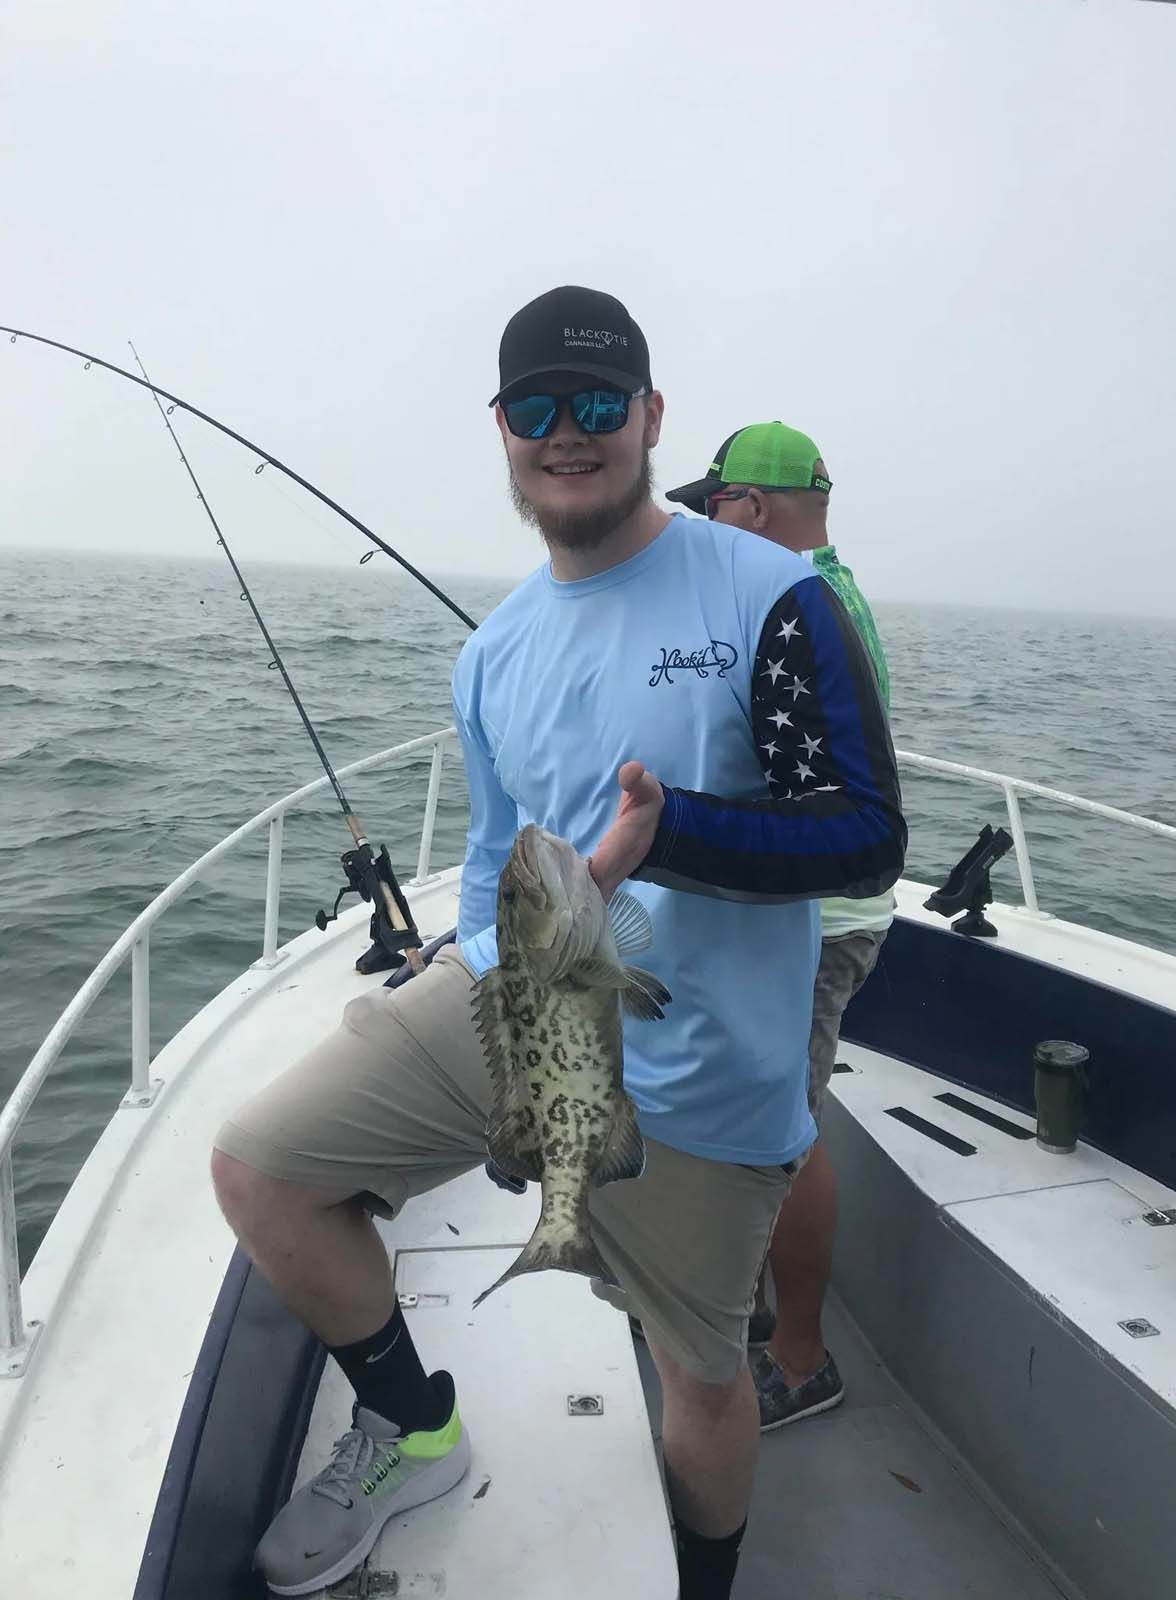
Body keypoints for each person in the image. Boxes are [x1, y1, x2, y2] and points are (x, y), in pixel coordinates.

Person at [211, 290, 905, 1600]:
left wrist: (672, 836)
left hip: (704, 1078)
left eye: (598, 405)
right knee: (263, 1172)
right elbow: (491, 855)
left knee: (700, 1378)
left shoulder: (773, 596)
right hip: (522, 995)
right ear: (502, 427)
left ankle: (708, 1580)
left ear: (651, 417)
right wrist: (474, 959)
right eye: (538, 408)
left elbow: (866, 839)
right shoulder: (499, 652)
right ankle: (415, 1426)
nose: (567, 432)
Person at [667, 422, 894, 1431]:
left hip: (820, 917)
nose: (698, 525)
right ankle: (746, 1312)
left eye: (709, 505)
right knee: (764, 1124)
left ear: (748, 509)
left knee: (787, 1138)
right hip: (804, 910)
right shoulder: (827, 587)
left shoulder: (793, 605)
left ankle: (801, 1358)